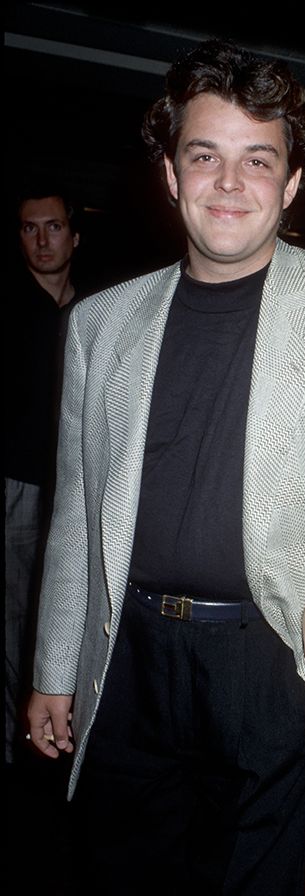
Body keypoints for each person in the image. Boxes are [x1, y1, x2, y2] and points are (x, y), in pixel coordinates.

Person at [25, 38, 305, 896]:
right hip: (129, 660)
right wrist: (51, 670)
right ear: (169, 173)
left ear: (290, 185)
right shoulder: (100, 324)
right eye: (205, 154)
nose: (229, 181)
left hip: (266, 655)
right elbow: (78, 514)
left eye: (258, 159)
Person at [4, 189, 80, 764]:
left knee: (66, 609)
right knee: (18, 617)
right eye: (31, 229)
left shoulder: (93, 311)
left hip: (76, 491)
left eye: (53, 227)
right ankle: (16, 742)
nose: (43, 240)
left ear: (74, 236)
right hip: (20, 486)